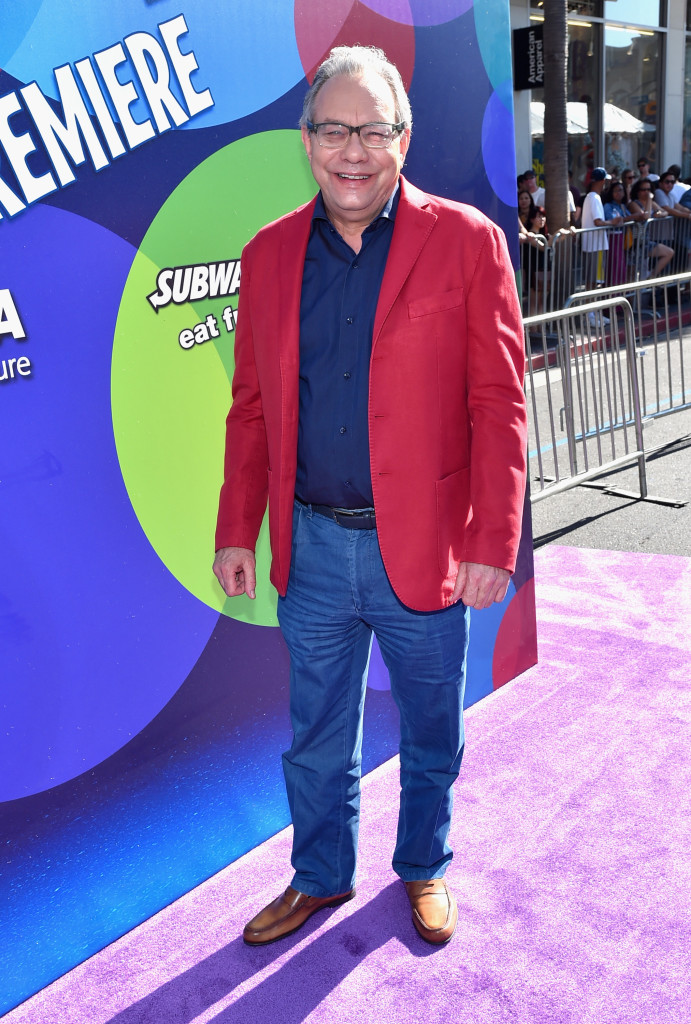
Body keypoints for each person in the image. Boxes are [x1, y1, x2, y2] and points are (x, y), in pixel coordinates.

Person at [213, 45, 527, 948]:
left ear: (405, 136)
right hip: (310, 549)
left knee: (433, 728)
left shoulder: (467, 241)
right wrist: (239, 529)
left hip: (429, 545)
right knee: (314, 739)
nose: (354, 150)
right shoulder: (268, 253)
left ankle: (423, 866)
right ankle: (318, 878)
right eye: (334, 129)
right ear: (306, 140)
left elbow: (499, 401)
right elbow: (253, 409)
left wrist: (491, 541)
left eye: (374, 129)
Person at [628, 177, 674, 278]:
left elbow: (665, 212)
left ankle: (651, 277)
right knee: (633, 274)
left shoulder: (651, 203)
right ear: (638, 191)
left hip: (647, 241)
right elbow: (645, 216)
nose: (646, 192)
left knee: (669, 252)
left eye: (649, 189)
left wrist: (659, 214)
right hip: (635, 243)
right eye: (643, 190)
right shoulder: (633, 204)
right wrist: (649, 199)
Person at [580, 167, 611, 290]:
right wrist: (613, 222)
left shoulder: (591, 197)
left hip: (593, 245)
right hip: (595, 245)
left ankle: (591, 308)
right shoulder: (594, 198)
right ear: (602, 181)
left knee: (592, 280)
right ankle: (591, 308)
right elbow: (598, 221)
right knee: (594, 281)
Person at [602, 179, 634, 286]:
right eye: (615, 190)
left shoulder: (623, 206)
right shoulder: (608, 206)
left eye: (621, 190)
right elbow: (614, 220)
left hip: (622, 239)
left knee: (621, 269)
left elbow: (626, 219)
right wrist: (633, 217)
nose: (618, 193)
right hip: (612, 239)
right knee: (614, 268)